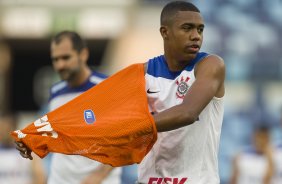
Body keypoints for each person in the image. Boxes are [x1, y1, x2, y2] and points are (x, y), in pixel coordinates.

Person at [15, 1, 225, 183]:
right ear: (165, 32)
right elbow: (88, 118)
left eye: (200, 29)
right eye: (187, 28)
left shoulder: (210, 65)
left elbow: (187, 113)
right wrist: (35, 135)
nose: (196, 36)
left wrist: (132, 127)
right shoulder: (139, 74)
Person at [18, 31, 122, 184]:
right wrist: (31, 148)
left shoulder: (106, 87)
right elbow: (49, 136)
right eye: (55, 59)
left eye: (66, 57)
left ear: (83, 54)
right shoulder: (55, 93)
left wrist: (99, 176)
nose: (60, 65)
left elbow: (125, 139)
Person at [0, 113, 46, 184]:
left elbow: (40, 179)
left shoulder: (28, 150)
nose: (2, 131)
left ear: (13, 127)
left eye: (4, 128)